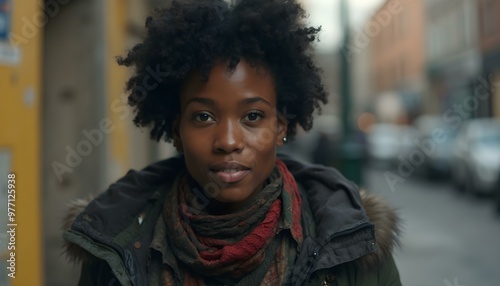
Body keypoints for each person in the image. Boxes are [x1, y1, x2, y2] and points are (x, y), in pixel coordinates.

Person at [63, 0, 402, 285]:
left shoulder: (354, 243)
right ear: (178, 130)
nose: (227, 141)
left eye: (253, 116)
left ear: (280, 127)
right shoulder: (112, 240)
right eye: (204, 117)